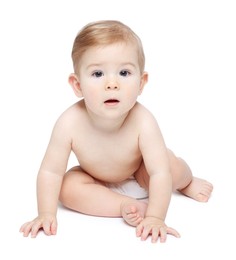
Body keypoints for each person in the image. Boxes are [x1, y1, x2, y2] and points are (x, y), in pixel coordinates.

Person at [20, 20, 213, 243]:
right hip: (95, 178)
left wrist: (155, 217)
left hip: (142, 174)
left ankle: (187, 182)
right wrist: (45, 213)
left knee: (170, 167)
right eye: (97, 74)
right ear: (77, 85)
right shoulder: (69, 122)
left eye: (124, 72)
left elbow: (159, 173)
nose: (112, 84)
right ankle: (123, 205)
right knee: (66, 186)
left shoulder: (143, 121)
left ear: (141, 83)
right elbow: (50, 172)